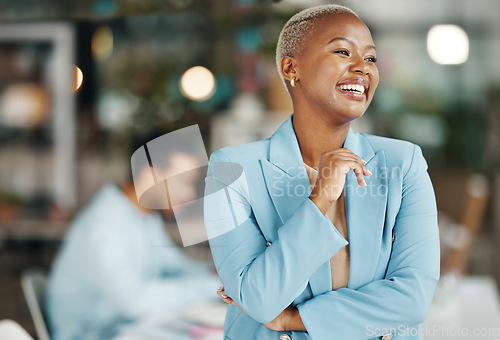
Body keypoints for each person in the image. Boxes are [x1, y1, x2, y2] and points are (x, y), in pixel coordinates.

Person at [204, 4, 440, 340]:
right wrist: (321, 197)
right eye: (343, 51)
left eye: (371, 59)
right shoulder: (229, 169)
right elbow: (259, 299)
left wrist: (293, 318)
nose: (363, 68)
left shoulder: (404, 163)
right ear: (291, 67)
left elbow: (413, 301)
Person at [46, 132, 220, 340]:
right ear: (151, 175)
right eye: (184, 182)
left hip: (127, 329)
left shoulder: (144, 216)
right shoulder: (104, 225)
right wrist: (216, 288)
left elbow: (172, 267)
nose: (190, 195)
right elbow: (135, 301)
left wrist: (215, 273)